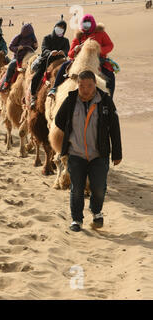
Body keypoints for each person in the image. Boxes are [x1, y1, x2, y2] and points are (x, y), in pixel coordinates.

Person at [54, 70, 122, 232]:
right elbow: (59, 120)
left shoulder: (105, 101)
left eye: (89, 86)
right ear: (77, 85)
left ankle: (96, 211)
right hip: (76, 154)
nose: (85, 89)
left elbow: (114, 127)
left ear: (95, 85)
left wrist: (117, 153)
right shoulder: (71, 100)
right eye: (81, 85)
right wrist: (72, 133)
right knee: (76, 188)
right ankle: (77, 220)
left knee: (98, 188)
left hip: (99, 155)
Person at [48, 14, 115, 98]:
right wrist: (76, 49)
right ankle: (54, 89)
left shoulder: (101, 33)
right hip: (80, 60)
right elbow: (70, 53)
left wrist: (98, 50)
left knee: (110, 75)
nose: (86, 26)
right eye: (84, 23)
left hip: (98, 59)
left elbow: (110, 45)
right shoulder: (79, 35)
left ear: (92, 23)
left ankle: (110, 101)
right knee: (64, 66)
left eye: (88, 23)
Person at [29, 20, 69, 107]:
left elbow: (67, 50)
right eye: (59, 27)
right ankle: (33, 96)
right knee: (37, 76)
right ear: (55, 27)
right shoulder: (47, 38)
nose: (60, 29)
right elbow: (44, 49)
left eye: (62, 28)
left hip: (60, 62)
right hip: (47, 61)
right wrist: (50, 53)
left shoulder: (65, 41)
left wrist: (63, 52)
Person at [0, 23, 38, 92]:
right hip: (18, 57)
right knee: (11, 66)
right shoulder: (18, 37)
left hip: (29, 57)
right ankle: (6, 83)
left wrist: (35, 46)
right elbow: (11, 47)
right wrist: (17, 48)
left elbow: (33, 48)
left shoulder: (32, 38)